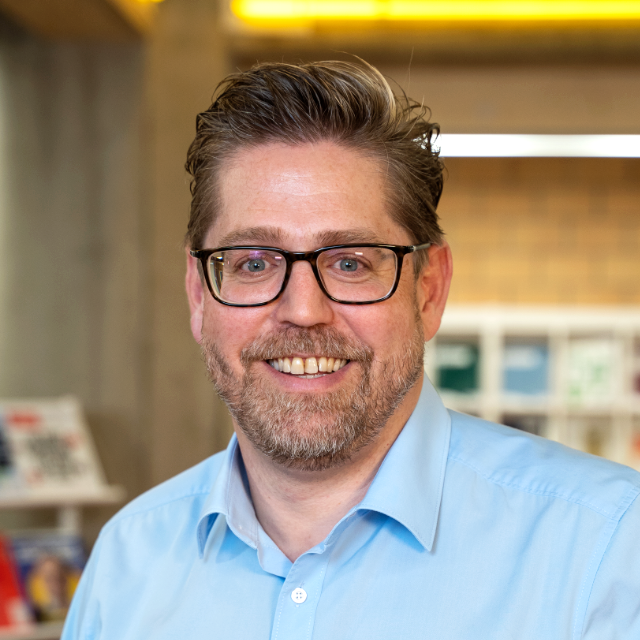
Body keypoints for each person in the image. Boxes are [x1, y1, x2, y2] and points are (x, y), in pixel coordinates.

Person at [62, 61, 640, 639]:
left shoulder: (606, 550)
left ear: (429, 289)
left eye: (350, 263)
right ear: (198, 294)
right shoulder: (126, 566)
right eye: (254, 263)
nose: (302, 310)